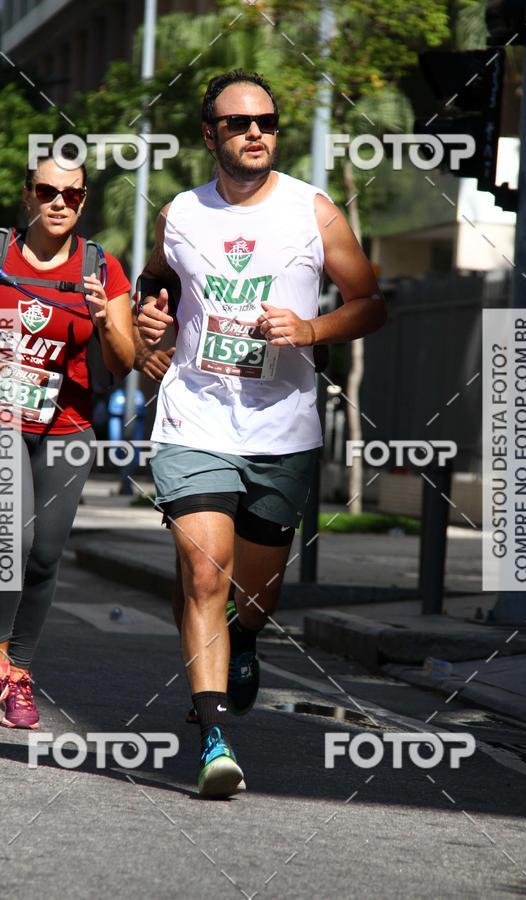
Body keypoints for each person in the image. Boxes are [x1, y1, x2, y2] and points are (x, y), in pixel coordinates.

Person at [136, 69, 386, 797]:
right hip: (196, 417)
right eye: (240, 122)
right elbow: (160, 286)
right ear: (210, 134)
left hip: (282, 429)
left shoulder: (313, 211)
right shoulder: (181, 212)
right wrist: (152, 319)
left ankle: (245, 640)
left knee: (256, 597)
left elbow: (369, 302)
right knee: (204, 572)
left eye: (268, 122)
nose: (256, 133)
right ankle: (214, 738)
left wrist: (309, 329)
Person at [0, 148, 134, 728]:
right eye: (49, 192)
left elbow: (125, 362)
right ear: (29, 194)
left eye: (73, 195)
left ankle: (22, 672)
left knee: (46, 553)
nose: (60, 203)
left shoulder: (100, 268)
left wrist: (107, 319)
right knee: (4, 542)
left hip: (68, 424)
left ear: (83, 202)